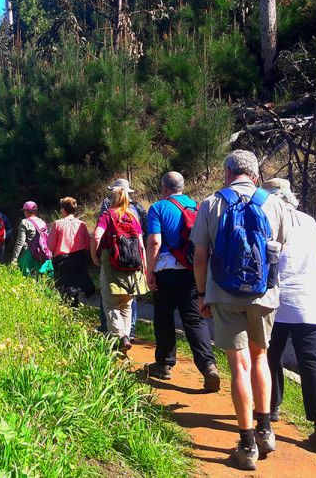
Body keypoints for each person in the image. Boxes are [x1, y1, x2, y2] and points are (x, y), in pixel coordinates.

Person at [190, 150, 287, 471]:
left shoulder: (211, 203)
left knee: (238, 365)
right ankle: (266, 430)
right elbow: (279, 251)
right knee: (261, 358)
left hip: (224, 292)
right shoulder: (274, 203)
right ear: (256, 175)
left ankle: (246, 446)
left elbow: (200, 256)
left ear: (228, 172)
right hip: (264, 293)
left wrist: (203, 294)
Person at [263, 178, 316, 447]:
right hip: (312, 301)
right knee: (314, 361)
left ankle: (270, 409)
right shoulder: (309, 222)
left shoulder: (266, 222)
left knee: (270, 356)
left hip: (276, 302)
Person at [145, 171, 221, 392]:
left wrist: (150, 271)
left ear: (164, 188)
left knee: (164, 317)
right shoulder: (197, 206)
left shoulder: (158, 208)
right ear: (182, 186)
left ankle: (164, 364)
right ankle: (208, 366)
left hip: (166, 271)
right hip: (193, 270)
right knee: (194, 321)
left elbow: (155, 242)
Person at [91, 187, 147, 351]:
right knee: (126, 304)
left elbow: (96, 235)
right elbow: (141, 245)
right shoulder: (133, 216)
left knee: (110, 304)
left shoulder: (108, 215)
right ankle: (127, 335)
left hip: (112, 264)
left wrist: (94, 256)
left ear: (112, 199)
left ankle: (121, 336)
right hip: (133, 265)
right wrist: (144, 266)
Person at [48, 197, 96, 307]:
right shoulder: (81, 224)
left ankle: (69, 311)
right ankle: (79, 304)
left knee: (65, 288)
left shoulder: (57, 224)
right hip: (79, 259)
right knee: (78, 284)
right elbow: (88, 244)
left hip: (62, 260)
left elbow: (50, 246)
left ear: (63, 209)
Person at [11, 201, 54, 277]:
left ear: (26, 211)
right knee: (41, 278)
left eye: (24, 211)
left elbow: (20, 241)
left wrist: (14, 258)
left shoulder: (24, 222)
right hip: (43, 254)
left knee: (28, 279)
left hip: (30, 254)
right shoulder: (43, 222)